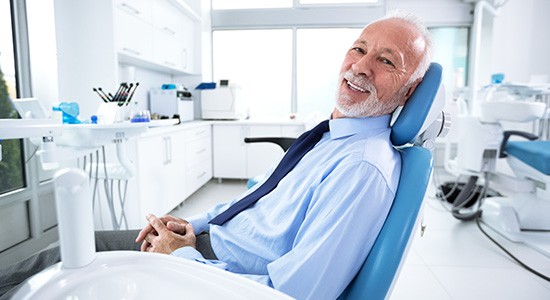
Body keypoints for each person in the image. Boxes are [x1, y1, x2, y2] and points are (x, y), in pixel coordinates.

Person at [0, 10, 433, 300]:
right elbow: (261, 202)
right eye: (359, 49)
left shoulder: (362, 167)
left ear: (409, 91)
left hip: (219, 276)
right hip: (210, 245)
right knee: (72, 248)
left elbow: (295, 294)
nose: (360, 66)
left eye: (386, 61)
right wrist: (193, 225)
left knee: (68, 254)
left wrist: (182, 255)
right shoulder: (334, 138)